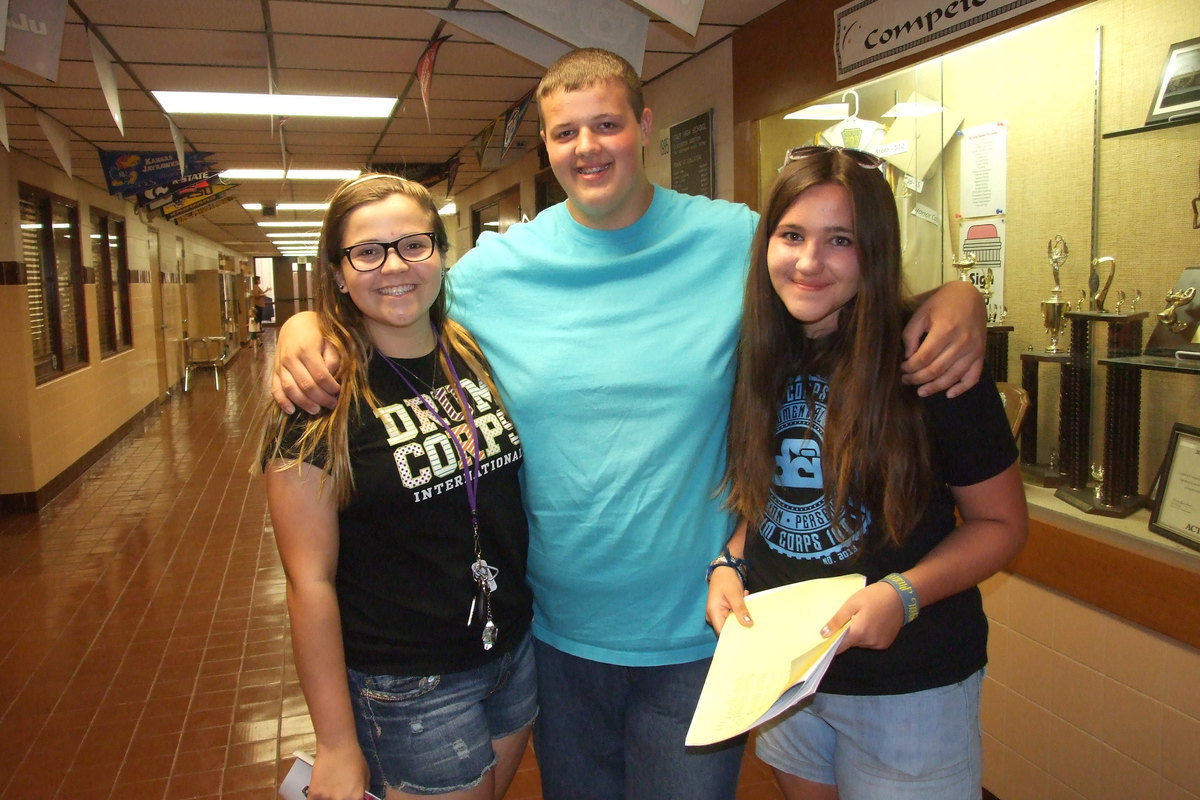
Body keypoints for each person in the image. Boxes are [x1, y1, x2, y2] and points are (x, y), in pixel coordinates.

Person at [271, 49, 988, 800]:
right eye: (565, 133)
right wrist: (304, 326)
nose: (587, 148)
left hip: (704, 631)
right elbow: (391, 296)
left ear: (644, 127)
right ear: (545, 147)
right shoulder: (494, 272)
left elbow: (836, 271)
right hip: (555, 636)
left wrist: (954, 295)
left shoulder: (735, 240)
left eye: (607, 124)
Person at [705, 145, 1027, 800]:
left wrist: (902, 594)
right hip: (787, 673)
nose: (808, 261)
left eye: (840, 240)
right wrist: (730, 562)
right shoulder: (762, 350)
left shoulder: (929, 357)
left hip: (907, 689)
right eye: (791, 235)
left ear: (873, 249)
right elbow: (777, 501)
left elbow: (1002, 525)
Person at [259, 174, 536, 800]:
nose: (394, 267)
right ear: (338, 271)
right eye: (367, 251)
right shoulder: (319, 400)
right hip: (409, 684)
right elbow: (309, 583)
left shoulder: (469, 351)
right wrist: (336, 743)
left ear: (440, 252)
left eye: (413, 244)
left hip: (512, 653)